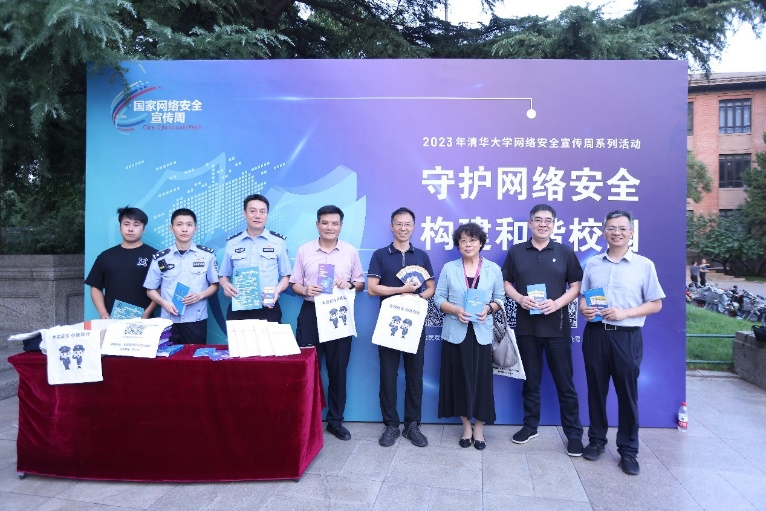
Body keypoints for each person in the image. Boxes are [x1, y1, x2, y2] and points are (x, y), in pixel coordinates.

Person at [579, 210, 664, 476]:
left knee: (627, 394)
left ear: (631, 233)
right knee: (596, 390)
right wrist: (584, 308)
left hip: (626, 337)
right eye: (611, 228)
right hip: (595, 334)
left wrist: (624, 313)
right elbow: (583, 297)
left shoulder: (644, 265)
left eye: (622, 228)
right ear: (603, 232)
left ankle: (628, 450)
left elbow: (656, 304)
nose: (617, 232)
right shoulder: (593, 264)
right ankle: (596, 441)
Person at [501, 204, 584, 456]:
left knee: (565, 384)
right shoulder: (516, 252)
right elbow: (506, 282)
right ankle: (530, 426)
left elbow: (576, 285)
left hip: (557, 328)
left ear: (554, 225)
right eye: (538, 220)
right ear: (530, 223)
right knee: (530, 382)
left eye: (548, 220)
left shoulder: (564, 252)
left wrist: (557, 303)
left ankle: (574, 434)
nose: (543, 224)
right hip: (527, 328)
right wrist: (519, 298)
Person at [290, 205, 364, 441]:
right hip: (311, 313)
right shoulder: (304, 250)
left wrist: (348, 284)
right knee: (308, 367)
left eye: (334, 223)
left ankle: (335, 421)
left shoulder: (350, 251)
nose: (329, 227)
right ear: (317, 225)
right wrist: (305, 289)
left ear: (340, 226)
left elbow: (360, 283)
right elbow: (294, 283)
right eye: (325, 223)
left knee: (338, 369)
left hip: (338, 314)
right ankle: (307, 419)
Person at [367, 207, 436, 448]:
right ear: (391, 226)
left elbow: (430, 288)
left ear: (413, 227)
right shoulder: (380, 255)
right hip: (388, 324)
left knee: (415, 374)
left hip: (415, 323)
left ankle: (412, 425)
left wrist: (418, 297)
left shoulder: (422, 256)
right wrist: (401, 290)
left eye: (407, 224)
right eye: (399, 224)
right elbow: (372, 288)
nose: (403, 228)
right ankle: (390, 425)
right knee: (388, 375)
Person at [435, 222, 504, 450]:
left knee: (482, 382)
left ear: (481, 243)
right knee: (460, 380)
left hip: (482, 333)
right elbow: (438, 298)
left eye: (472, 240)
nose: (467, 244)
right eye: (463, 241)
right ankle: (466, 427)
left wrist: (488, 308)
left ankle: (479, 429)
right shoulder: (449, 268)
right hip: (456, 332)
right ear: (458, 244)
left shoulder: (493, 269)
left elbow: (500, 298)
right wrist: (456, 310)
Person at [144, 208, 219, 344]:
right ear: (171, 228)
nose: (184, 229)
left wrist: (200, 295)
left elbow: (215, 285)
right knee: (167, 357)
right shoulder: (161, 258)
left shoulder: (207, 255)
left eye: (189, 225)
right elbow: (150, 290)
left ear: (195, 229)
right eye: (179, 224)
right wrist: (164, 303)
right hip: (168, 320)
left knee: (195, 357)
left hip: (196, 320)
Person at [218, 194, 291, 323]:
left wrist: (277, 290)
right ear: (244, 214)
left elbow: (286, 276)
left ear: (267, 215)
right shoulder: (232, 243)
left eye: (262, 212)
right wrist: (225, 285)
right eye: (252, 211)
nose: (258, 216)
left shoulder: (278, 242)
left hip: (268, 306)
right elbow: (224, 275)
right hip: (239, 307)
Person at [85, 206, 158, 319]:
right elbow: (95, 287)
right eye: (126, 224)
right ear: (120, 228)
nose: (130, 229)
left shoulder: (155, 256)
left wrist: (147, 313)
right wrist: (103, 313)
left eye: (136, 225)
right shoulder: (106, 256)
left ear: (144, 229)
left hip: (145, 321)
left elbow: (160, 288)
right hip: (112, 320)